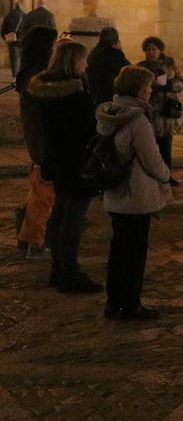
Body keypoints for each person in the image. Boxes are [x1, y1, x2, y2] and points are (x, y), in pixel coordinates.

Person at [97, 66, 173, 320]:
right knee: (135, 252)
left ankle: (113, 301)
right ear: (140, 90)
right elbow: (151, 159)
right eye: (148, 87)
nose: (151, 91)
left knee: (118, 249)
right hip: (137, 194)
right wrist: (167, 177)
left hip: (115, 193)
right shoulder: (137, 119)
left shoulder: (110, 111)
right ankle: (131, 304)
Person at [30, 41, 100, 293]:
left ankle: (58, 269)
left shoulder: (46, 93)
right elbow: (88, 132)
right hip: (78, 163)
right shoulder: (76, 96)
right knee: (72, 220)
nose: (86, 64)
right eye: (83, 60)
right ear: (74, 62)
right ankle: (68, 273)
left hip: (56, 160)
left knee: (60, 213)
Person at [16, 26, 59, 258]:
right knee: (44, 192)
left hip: (38, 137)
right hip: (43, 139)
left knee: (39, 188)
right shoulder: (38, 74)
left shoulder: (30, 70)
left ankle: (28, 236)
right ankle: (34, 241)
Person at [138, 37, 183, 174]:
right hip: (150, 112)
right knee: (149, 147)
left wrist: (170, 86)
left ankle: (167, 175)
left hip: (166, 113)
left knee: (166, 147)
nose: (150, 52)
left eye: (153, 49)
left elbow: (181, 83)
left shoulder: (169, 66)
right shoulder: (141, 67)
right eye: (147, 50)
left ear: (160, 51)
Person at [86, 26, 132, 106]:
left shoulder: (94, 53)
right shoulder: (114, 54)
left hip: (95, 92)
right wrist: (120, 50)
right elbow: (129, 70)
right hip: (110, 93)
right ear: (115, 40)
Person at [2, 1, 23, 75]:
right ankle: (21, 76)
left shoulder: (8, 16)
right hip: (22, 40)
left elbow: (3, 28)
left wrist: (5, 37)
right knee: (22, 58)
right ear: (21, 7)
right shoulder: (25, 15)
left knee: (14, 59)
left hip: (12, 40)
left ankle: (15, 76)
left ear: (15, 6)